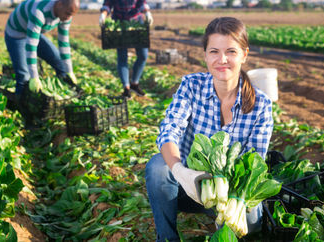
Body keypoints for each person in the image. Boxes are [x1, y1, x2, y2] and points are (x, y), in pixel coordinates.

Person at [145, 17, 274, 241]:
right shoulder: (191, 86)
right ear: (205, 55)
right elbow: (169, 130)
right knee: (158, 167)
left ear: (244, 54)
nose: (222, 59)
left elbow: (253, 162)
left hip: (233, 193)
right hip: (191, 187)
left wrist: (226, 198)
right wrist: (181, 172)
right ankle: (166, 238)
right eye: (214, 51)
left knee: (251, 227)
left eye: (231, 51)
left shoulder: (261, 105)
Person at [4, 0, 80, 97]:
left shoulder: (66, 15)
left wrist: (69, 70)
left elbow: (64, 43)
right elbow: (31, 46)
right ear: (60, 4)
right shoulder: (39, 11)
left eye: (71, 15)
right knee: (24, 76)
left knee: (59, 62)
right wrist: (34, 76)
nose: (69, 18)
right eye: (68, 14)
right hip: (16, 34)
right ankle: (20, 102)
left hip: (33, 32)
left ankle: (62, 93)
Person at [99, 0, 154, 98]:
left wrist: (147, 12)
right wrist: (103, 14)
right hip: (120, 23)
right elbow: (108, 4)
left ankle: (134, 84)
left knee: (143, 55)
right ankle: (126, 88)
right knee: (122, 56)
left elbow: (142, 2)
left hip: (137, 21)